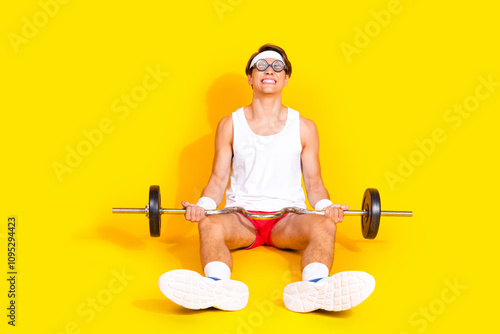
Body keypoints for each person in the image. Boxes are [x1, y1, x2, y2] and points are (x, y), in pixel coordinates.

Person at [158, 44, 375, 313]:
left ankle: (316, 288)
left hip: (288, 220)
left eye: (277, 66)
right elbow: (217, 180)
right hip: (241, 219)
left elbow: (315, 184)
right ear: (250, 77)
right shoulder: (230, 124)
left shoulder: (305, 127)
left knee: (325, 226)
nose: (269, 70)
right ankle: (216, 286)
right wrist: (202, 206)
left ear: (286, 78)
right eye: (261, 66)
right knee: (209, 226)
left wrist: (324, 208)